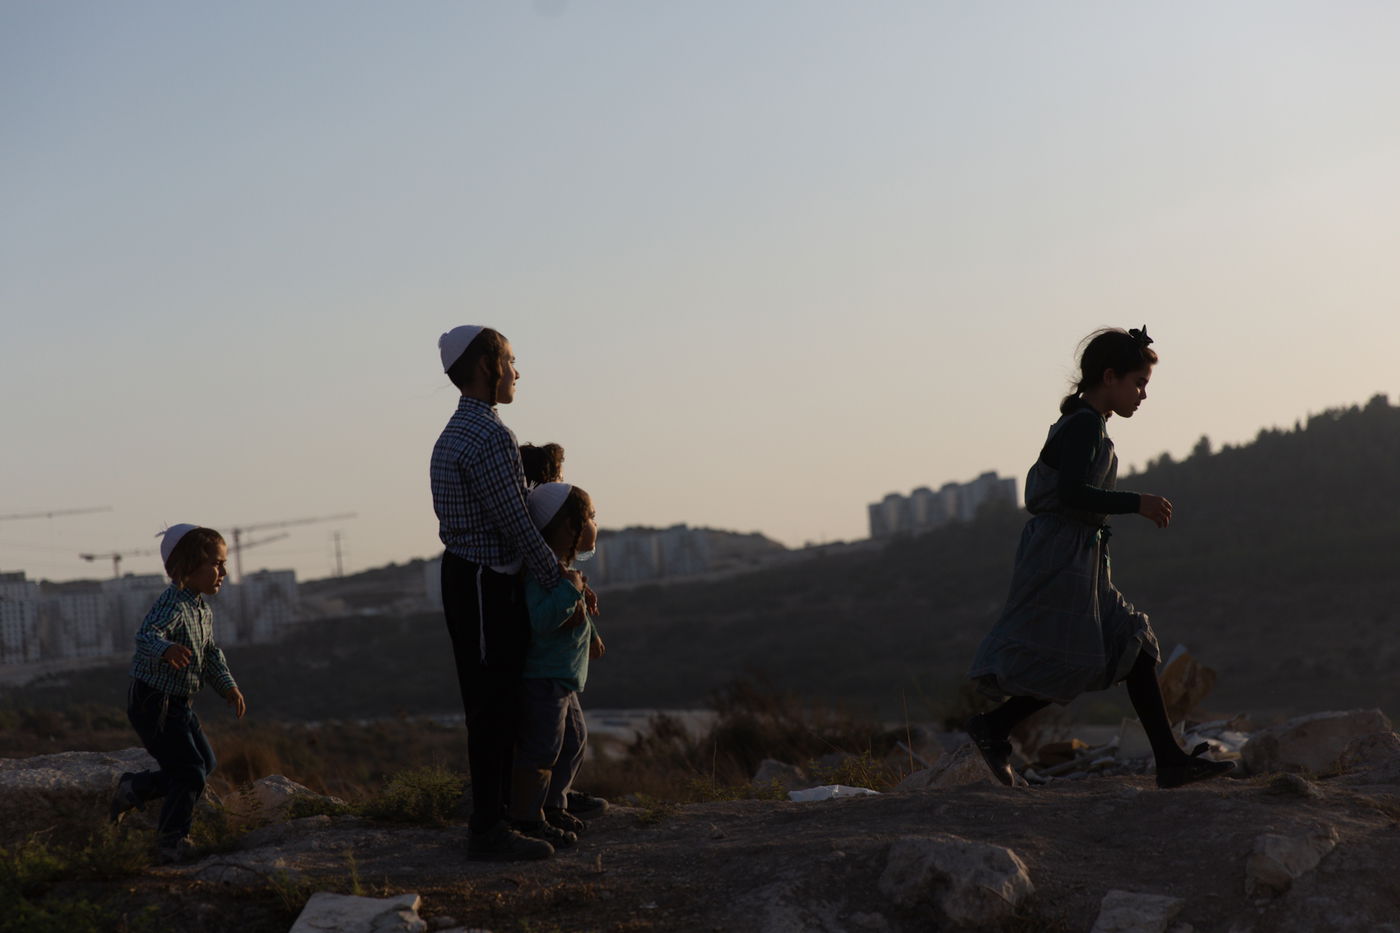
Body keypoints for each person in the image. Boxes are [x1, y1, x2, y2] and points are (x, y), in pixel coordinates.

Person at [965, 327, 1233, 789]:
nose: (1142, 395)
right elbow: (1070, 492)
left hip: (1080, 554)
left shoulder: (1090, 422)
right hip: (1060, 554)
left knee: (1133, 643)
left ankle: (1169, 761)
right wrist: (1137, 503)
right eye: (1138, 383)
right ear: (1109, 377)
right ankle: (993, 728)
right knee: (1074, 655)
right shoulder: (1085, 424)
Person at [430, 325, 582, 860]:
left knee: (501, 699)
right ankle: (489, 826)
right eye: (512, 360)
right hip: (482, 579)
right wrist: (558, 578)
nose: (518, 372)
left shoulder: (466, 430)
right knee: (493, 705)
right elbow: (516, 521)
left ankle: (524, 809)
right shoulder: (489, 436)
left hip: (475, 576)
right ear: (488, 365)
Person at [110, 524, 247, 863]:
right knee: (189, 771)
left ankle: (135, 788)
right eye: (216, 564)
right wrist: (167, 649)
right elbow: (145, 635)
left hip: (180, 704)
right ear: (189, 566)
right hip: (152, 702)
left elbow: (211, 652)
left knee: (205, 764)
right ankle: (171, 842)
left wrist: (227, 685)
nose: (223, 572)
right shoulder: (172, 603)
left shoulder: (201, 609)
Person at [507, 482, 606, 844]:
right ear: (569, 527)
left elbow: (573, 616)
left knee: (574, 740)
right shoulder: (541, 572)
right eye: (591, 517)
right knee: (541, 749)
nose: (596, 524)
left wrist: (591, 634)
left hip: (563, 679)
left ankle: (554, 804)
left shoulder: (562, 572)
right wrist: (572, 590)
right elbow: (543, 620)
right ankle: (528, 816)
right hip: (543, 678)